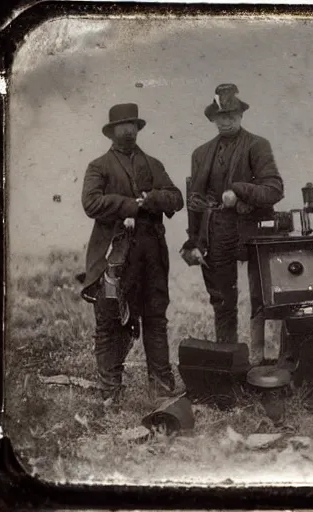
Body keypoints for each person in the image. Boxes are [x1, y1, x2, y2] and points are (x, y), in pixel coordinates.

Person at [81, 103, 184, 405]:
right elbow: (90, 203)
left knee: (155, 318)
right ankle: (110, 390)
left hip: (151, 254)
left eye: (132, 125)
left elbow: (176, 198)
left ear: (138, 128)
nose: (127, 130)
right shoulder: (98, 166)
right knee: (110, 320)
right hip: (114, 254)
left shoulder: (153, 164)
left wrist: (152, 199)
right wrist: (130, 205)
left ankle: (161, 387)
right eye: (121, 126)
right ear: (111, 131)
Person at [180, 84, 284, 364]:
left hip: (253, 232)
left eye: (232, 114)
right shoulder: (200, 154)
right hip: (216, 233)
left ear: (241, 115)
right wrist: (193, 242)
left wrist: (239, 190)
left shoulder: (257, 145)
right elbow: (195, 203)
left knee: (261, 299)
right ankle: (228, 363)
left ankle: (261, 364)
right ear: (213, 118)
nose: (227, 120)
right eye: (221, 115)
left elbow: (274, 189)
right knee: (223, 302)